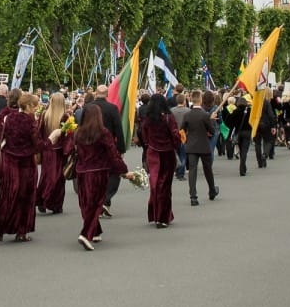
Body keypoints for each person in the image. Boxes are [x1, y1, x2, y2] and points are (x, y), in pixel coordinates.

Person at [72, 104, 133, 251]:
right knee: (95, 204)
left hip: (82, 171)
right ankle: (86, 234)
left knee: (86, 203)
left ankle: (95, 231)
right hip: (98, 171)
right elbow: (113, 154)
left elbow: (71, 150)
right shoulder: (103, 133)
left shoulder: (78, 132)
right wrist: (124, 172)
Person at [0, 91, 41, 242]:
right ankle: (21, 231)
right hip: (26, 162)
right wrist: (51, 139)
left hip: (10, 159)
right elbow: (37, 145)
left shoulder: (8, 117)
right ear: (29, 105)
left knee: (9, 194)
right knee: (26, 196)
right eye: (35, 106)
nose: (36, 108)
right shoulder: (30, 121)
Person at [139, 93, 178, 226]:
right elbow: (174, 134)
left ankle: (155, 213)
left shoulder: (148, 119)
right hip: (167, 153)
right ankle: (163, 216)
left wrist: (148, 145)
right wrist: (177, 145)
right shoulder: (168, 118)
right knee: (165, 185)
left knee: (155, 184)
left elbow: (143, 135)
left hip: (152, 152)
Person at [90, 85, 126, 216]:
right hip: (108, 145)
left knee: (96, 174)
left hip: (91, 145)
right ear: (107, 94)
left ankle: (101, 203)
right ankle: (105, 200)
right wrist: (121, 148)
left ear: (96, 93)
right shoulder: (112, 108)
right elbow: (118, 129)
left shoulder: (88, 107)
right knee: (114, 173)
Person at [182, 90, 217, 206]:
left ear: (191, 99)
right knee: (208, 170)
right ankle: (212, 190)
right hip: (204, 145)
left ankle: (193, 196)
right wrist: (211, 120)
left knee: (192, 171)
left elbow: (182, 130)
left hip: (191, 145)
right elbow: (211, 131)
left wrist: (186, 139)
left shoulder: (187, 115)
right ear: (201, 99)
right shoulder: (205, 115)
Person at [36, 91, 70, 215]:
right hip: (59, 151)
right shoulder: (65, 116)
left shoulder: (45, 115)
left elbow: (38, 132)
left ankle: (41, 199)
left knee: (45, 175)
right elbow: (68, 137)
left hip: (47, 149)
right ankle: (53, 202)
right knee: (58, 178)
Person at [219, 93, 254, 176]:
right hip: (247, 132)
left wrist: (230, 132)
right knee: (244, 150)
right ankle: (243, 167)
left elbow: (229, 122)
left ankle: (243, 166)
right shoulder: (249, 111)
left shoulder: (235, 111)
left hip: (238, 133)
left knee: (241, 149)